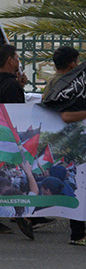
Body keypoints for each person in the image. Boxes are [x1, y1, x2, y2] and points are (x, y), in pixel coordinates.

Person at [0, 43, 33, 237]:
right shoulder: (11, 85)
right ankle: (19, 215)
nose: (18, 61)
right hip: (8, 138)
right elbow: (15, 113)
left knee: (1, 178)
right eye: (17, 57)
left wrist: (19, 85)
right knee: (10, 178)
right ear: (9, 60)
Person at [42, 45, 86, 246]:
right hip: (75, 145)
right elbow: (67, 116)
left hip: (63, 145)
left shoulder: (51, 83)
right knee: (80, 187)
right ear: (72, 64)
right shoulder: (69, 87)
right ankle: (78, 234)